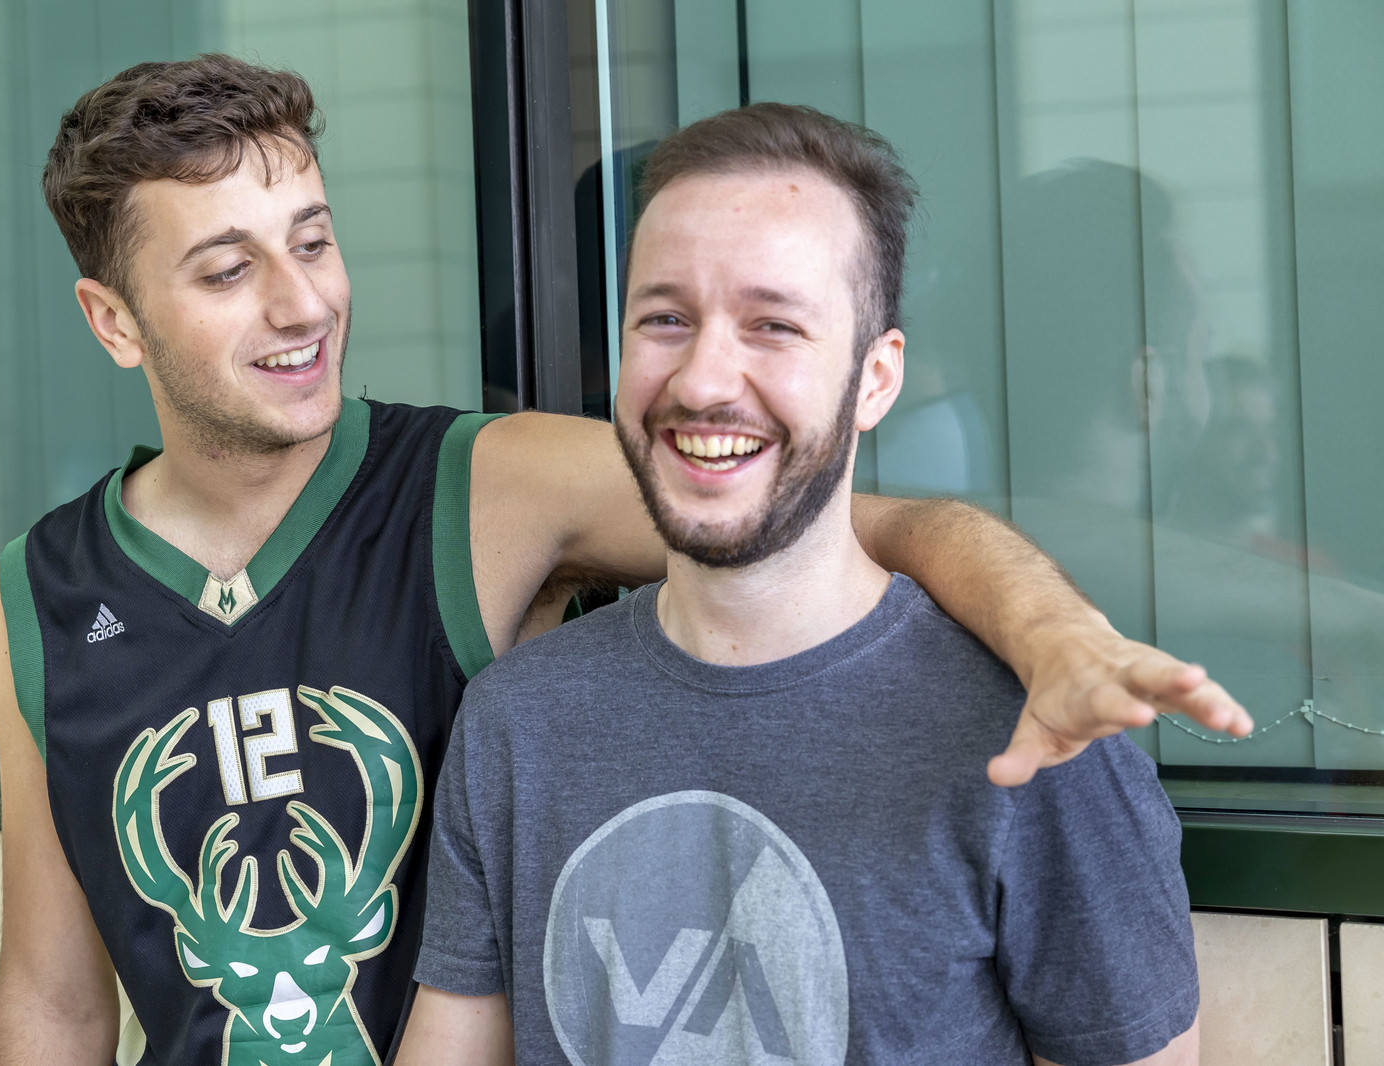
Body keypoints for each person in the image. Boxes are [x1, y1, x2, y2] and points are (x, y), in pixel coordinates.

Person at [0, 57, 1238, 1065]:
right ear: (112, 322)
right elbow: (52, 998)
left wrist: (1053, 638)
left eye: (311, 242)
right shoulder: (41, 595)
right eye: (226, 269)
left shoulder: (492, 484)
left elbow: (839, 514)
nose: (300, 303)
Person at [398, 105, 1200, 1065]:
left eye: (772, 325)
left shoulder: (1033, 737)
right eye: (665, 319)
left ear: (876, 378)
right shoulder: (516, 723)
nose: (703, 380)